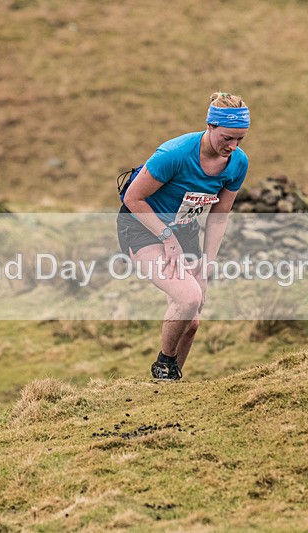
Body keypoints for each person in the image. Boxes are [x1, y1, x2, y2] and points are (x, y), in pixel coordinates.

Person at [117, 91, 250, 381]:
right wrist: (166, 237)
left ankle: (170, 384)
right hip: (142, 227)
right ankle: (163, 365)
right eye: (227, 137)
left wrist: (207, 265)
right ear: (210, 126)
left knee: (191, 320)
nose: (233, 146)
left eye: (240, 139)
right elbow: (133, 198)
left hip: (184, 230)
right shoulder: (175, 153)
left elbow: (219, 215)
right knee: (188, 298)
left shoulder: (238, 163)